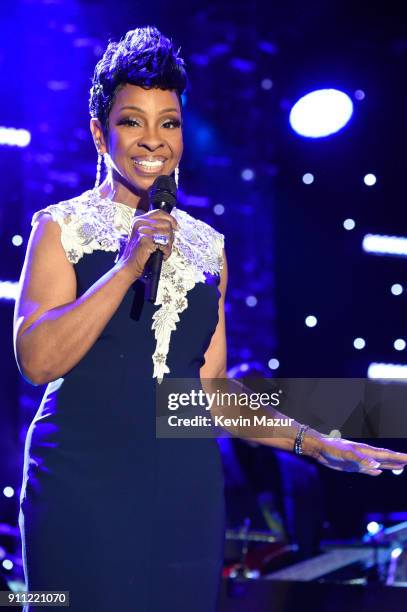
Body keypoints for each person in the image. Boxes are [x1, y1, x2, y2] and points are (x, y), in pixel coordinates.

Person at [13, 26, 407, 612]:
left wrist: (314, 441)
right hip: (78, 486)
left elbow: (205, 397)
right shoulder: (59, 228)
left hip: (182, 492)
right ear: (99, 133)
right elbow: (37, 361)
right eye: (132, 121)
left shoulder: (207, 246)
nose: (154, 141)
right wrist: (126, 267)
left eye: (168, 122)